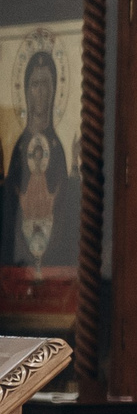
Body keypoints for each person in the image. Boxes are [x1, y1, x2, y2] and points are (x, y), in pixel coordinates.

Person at [3, 47, 75, 271]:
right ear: (27, 91)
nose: (41, 92)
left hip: (54, 254)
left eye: (46, 84)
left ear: (54, 90)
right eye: (35, 84)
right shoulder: (19, 147)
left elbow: (64, 207)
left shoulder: (57, 148)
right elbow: (9, 203)